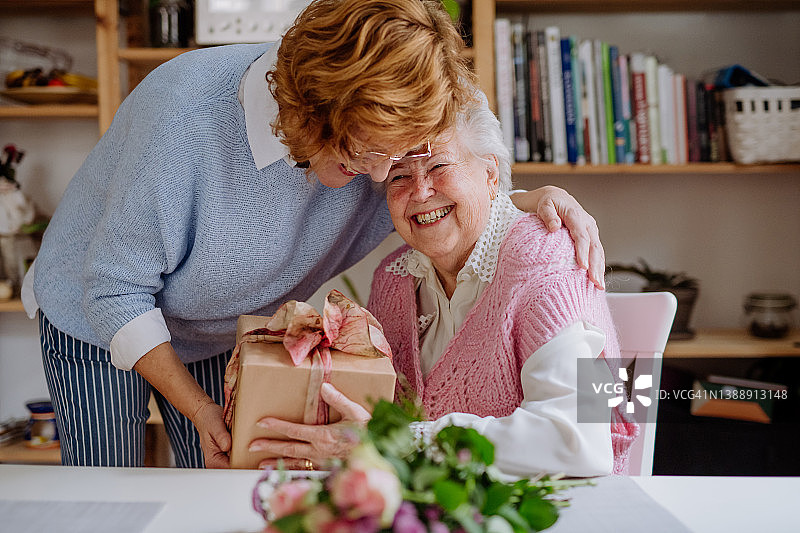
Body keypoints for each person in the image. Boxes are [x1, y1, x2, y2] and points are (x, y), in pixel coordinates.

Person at [25, 0, 606, 469]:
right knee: (109, 489)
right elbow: (113, 290)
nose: (385, 178)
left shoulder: (421, 105)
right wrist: (200, 410)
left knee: (227, 482)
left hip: (228, 323)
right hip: (100, 308)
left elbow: (468, 171)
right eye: (371, 155)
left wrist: (530, 200)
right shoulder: (183, 118)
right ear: (310, 117)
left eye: (405, 156)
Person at [250, 92, 637, 477]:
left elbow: (580, 444)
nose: (419, 192)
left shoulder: (546, 260)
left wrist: (404, 442)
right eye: (399, 175)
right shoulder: (393, 279)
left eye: (438, 166)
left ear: (490, 174)